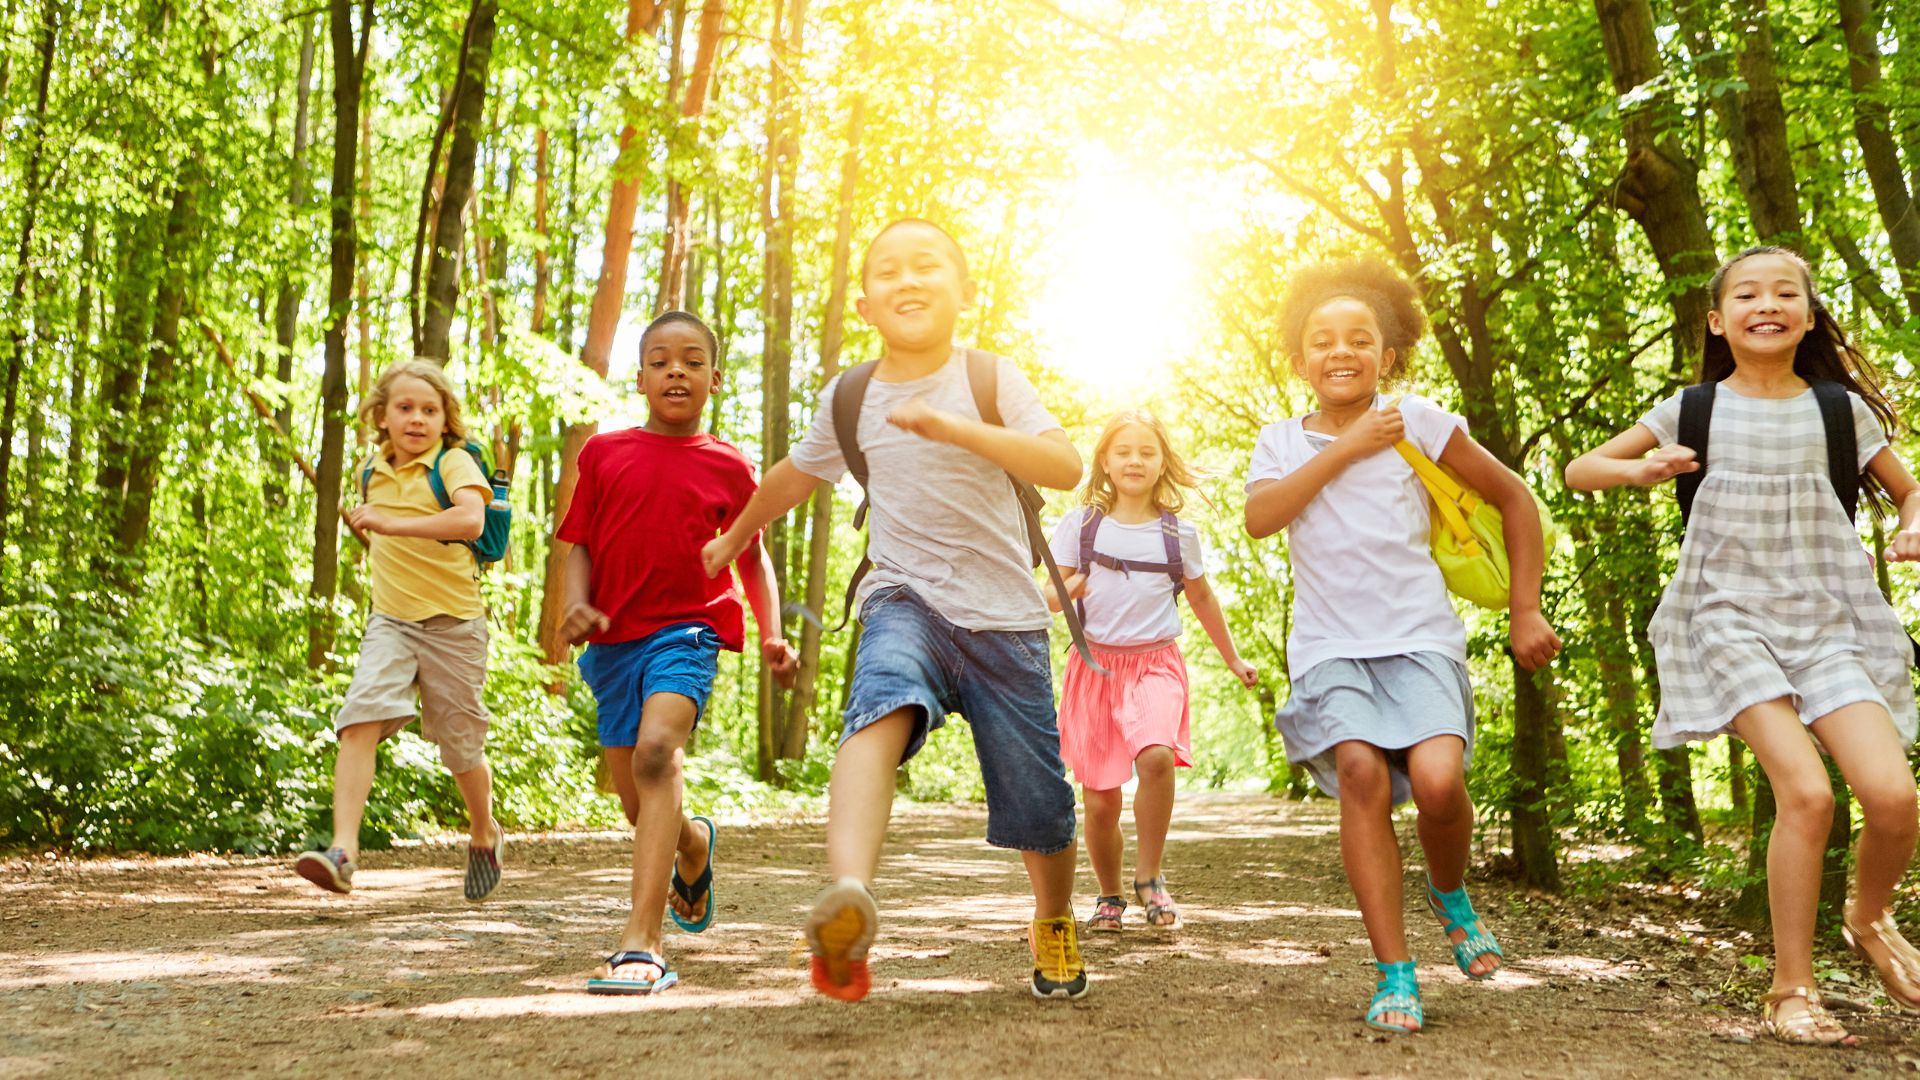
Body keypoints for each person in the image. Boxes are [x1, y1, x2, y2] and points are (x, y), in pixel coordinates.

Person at [701, 219, 1090, 1001]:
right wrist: (735, 534)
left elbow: (1065, 463)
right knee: (879, 703)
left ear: (964, 290)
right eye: (887, 270)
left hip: (1006, 617)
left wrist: (956, 426)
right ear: (866, 303)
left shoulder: (990, 377)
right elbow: (793, 475)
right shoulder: (852, 394)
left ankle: (1052, 916)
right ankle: (849, 893)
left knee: (1039, 799)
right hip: (902, 593)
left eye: (927, 265)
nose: (906, 279)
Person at [1567, 246, 1920, 1047]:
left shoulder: (1839, 411)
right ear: (1719, 321)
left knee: (1895, 798)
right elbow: (1581, 468)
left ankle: (1868, 918)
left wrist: (1912, 525)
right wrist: (1640, 470)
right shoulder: (1693, 407)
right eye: (1749, 294)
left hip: (1829, 620)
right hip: (1725, 617)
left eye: (1787, 292)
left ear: (1809, 313)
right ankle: (1790, 990)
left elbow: (1909, 489)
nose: (1770, 303)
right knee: (1808, 795)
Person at [1244, 258, 1559, 1033]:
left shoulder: (1418, 418)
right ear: (1300, 360)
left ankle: (1448, 893)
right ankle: (1395, 973)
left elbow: (1514, 498)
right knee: (1360, 774)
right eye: (1322, 340)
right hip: (1329, 645)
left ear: (1387, 357)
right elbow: (1261, 517)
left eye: (1360, 339)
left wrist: (1526, 610)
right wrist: (1348, 447)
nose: (1341, 351)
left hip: (1420, 636)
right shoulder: (1281, 441)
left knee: (1441, 783)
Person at [562, 311, 796, 995]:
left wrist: (773, 632)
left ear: (715, 380)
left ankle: (643, 941)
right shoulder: (603, 454)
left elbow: (753, 560)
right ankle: (692, 844)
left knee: (659, 751)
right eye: (661, 360)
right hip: (612, 642)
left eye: (692, 361)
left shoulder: (728, 464)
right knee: (639, 804)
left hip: (688, 630)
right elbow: (576, 542)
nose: (676, 371)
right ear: (639, 379)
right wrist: (574, 604)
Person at [295, 360, 505, 901]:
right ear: (382, 416)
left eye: (429, 410)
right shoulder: (372, 468)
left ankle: (484, 831)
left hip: (455, 625)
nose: (417, 419)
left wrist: (391, 523)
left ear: (445, 419)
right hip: (390, 621)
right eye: (405, 408)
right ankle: (343, 853)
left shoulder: (454, 462)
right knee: (359, 718)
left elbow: (470, 523)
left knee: (461, 748)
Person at [1043, 409, 1257, 933]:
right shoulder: (1080, 526)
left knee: (1157, 757)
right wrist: (1064, 591)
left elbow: (1202, 598)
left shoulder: (1178, 535)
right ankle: (1110, 895)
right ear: (1105, 461)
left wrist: (1233, 658)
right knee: (1098, 803)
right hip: (1094, 668)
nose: (1135, 460)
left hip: (1156, 664)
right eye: (1124, 451)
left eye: (1146, 451)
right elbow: (1045, 595)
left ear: (1163, 463)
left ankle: (1150, 877)